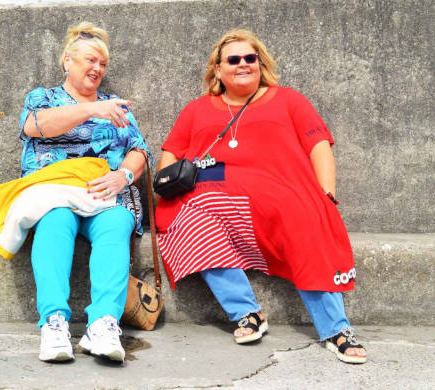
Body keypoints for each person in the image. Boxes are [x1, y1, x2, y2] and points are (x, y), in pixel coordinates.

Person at [154, 29, 367, 364]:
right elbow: (170, 156)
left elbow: (319, 146)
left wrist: (326, 194)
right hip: (216, 189)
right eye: (233, 60)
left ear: (260, 64)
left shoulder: (289, 100)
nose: (242, 64)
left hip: (281, 191)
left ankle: (336, 328)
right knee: (193, 214)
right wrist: (169, 187)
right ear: (218, 70)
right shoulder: (197, 109)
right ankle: (246, 312)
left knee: (305, 214)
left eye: (250, 58)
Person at [18, 22, 150, 362]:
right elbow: (34, 126)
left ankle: (103, 324)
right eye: (91, 61)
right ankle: (54, 323)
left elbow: (140, 150)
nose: (98, 69)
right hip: (54, 193)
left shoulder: (116, 105)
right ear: (67, 61)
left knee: (118, 221)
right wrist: (91, 109)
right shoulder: (43, 97)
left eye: (103, 64)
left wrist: (123, 175)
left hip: (103, 194)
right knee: (54, 221)